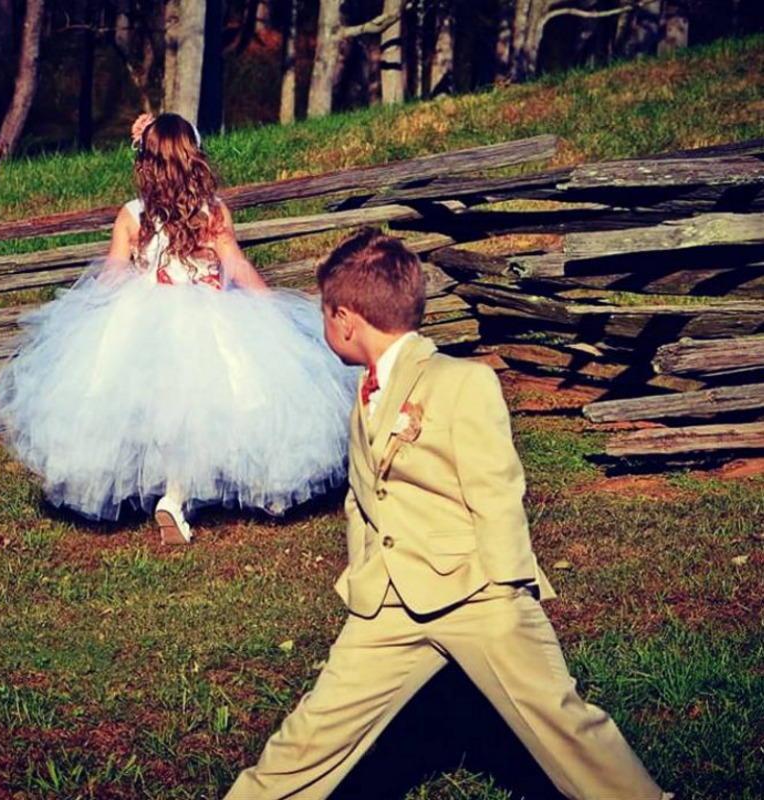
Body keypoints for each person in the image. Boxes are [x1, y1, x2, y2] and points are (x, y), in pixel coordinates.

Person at [225, 228, 671, 800]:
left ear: (344, 319)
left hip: (477, 597)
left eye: (323, 315)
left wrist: (505, 591)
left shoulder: (463, 382)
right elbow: (366, 497)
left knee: (566, 730)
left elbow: (498, 489)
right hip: (386, 605)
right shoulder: (363, 392)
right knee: (309, 736)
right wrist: (364, 575)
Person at [0, 113, 357, 543]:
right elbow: (235, 264)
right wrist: (268, 303)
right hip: (210, 318)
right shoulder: (212, 212)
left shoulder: (131, 215)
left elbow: (112, 273)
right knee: (233, 401)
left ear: (145, 164)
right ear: (194, 159)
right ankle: (202, 493)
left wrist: (86, 311)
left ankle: (166, 493)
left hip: (143, 320)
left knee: (156, 411)